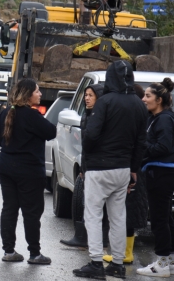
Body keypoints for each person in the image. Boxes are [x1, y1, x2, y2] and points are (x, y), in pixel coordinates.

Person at [73, 61, 148, 280]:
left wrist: (89, 150)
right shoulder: (138, 104)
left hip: (100, 167)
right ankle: (117, 264)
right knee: (118, 217)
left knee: (94, 215)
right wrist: (134, 169)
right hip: (123, 168)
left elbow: (92, 134)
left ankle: (96, 263)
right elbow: (140, 141)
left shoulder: (104, 101)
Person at [0, 78, 56, 265]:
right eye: (37, 91)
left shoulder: (6, 113)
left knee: (9, 209)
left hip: (6, 167)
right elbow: (51, 132)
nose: (40, 94)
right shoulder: (32, 116)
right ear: (28, 95)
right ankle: (35, 253)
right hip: (29, 171)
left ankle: (8, 250)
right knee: (31, 212)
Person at [136, 78, 174, 277]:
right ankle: (172, 262)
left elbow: (163, 147)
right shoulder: (157, 118)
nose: (144, 99)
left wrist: (142, 149)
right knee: (165, 218)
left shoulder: (163, 119)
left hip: (160, 172)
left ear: (160, 99)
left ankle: (161, 264)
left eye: (148, 96)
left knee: (158, 220)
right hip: (159, 171)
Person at [61, 83, 104, 248]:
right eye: (85, 95)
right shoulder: (87, 115)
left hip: (98, 167)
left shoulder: (98, 117)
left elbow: (92, 144)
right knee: (87, 203)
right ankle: (82, 236)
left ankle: (90, 241)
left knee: (93, 205)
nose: (87, 98)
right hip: (88, 165)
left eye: (90, 95)